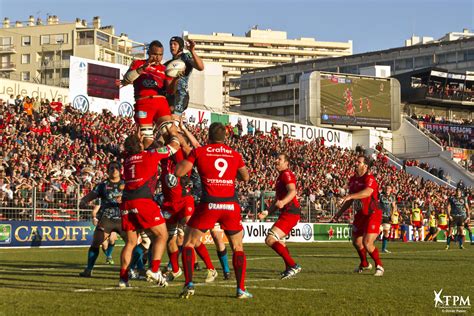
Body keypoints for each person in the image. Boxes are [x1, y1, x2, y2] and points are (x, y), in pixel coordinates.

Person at [174, 122, 252, 299]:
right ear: (225, 137)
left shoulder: (200, 151)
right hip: (230, 205)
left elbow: (179, 172)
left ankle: (189, 284)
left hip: (210, 204)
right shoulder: (234, 154)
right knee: (238, 247)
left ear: (208, 136)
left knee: (188, 243)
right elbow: (245, 177)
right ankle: (240, 289)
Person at [118, 130, 181, 288]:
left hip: (126, 202)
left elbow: (132, 149)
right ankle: (154, 269)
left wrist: (139, 140)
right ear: (139, 145)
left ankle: (123, 279)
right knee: (162, 235)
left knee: (131, 243)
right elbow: (174, 147)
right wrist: (172, 132)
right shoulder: (150, 155)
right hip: (143, 200)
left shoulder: (127, 160)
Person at [331, 155, 384, 277]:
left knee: (367, 243)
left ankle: (379, 266)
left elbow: (367, 192)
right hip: (361, 214)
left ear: (365, 166)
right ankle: (364, 264)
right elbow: (349, 200)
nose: (355, 163)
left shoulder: (369, 178)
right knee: (356, 241)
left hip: (373, 213)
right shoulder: (353, 180)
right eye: (356, 161)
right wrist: (338, 214)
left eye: (358, 162)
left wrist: (349, 196)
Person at [120, 40, 174, 149]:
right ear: (149, 53)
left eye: (160, 55)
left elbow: (170, 91)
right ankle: (153, 160)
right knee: (146, 141)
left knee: (170, 135)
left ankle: (171, 163)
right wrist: (143, 68)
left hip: (160, 102)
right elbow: (126, 80)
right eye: (155, 54)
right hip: (144, 103)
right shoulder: (138, 63)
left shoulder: (165, 69)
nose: (158, 58)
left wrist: (176, 78)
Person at [258, 154, 302, 279]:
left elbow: (293, 191)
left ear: (286, 163)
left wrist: (283, 202)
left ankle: (293, 265)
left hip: (291, 212)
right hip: (287, 212)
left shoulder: (286, 174)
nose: (276, 160)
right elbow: (277, 200)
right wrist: (267, 212)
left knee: (270, 239)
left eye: (280, 159)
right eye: (276, 158)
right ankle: (289, 267)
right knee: (280, 242)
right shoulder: (280, 177)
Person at [79, 161, 125, 277]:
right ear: (107, 171)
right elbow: (90, 195)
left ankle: (136, 270)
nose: (114, 170)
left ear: (121, 170)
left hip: (123, 218)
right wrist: (84, 201)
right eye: (111, 168)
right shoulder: (102, 185)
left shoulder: (127, 184)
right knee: (95, 244)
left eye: (116, 168)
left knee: (132, 244)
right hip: (106, 219)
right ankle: (89, 270)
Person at [165, 36, 204, 116]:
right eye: (171, 44)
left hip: (181, 94)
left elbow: (201, 67)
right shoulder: (168, 64)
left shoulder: (186, 57)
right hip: (169, 94)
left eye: (175, 44)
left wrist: (192, 51)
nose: (172, 46)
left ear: (181, 46)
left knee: (173, 119)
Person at [379, 185, 396, 253]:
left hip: (387, 216)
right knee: (377, 232)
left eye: (389, 188)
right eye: (386, 188)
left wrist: (392, 215)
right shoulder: (380, 196)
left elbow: (394, 207)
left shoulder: (392, 197)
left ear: (391, 189)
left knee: (386, 232)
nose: (387, 189)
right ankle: (370, 247)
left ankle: (383, 249)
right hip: (380, 216)